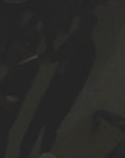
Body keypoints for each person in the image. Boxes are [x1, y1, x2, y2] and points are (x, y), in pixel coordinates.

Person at [17, 15, 97, 158]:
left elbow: (56, 57)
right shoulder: (88, 49)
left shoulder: (76, 40)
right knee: (50, 128)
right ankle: (42, 153)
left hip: (57, 91)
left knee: (37, 124)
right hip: (65, 96)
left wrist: (49, 45)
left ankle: (25, 153)